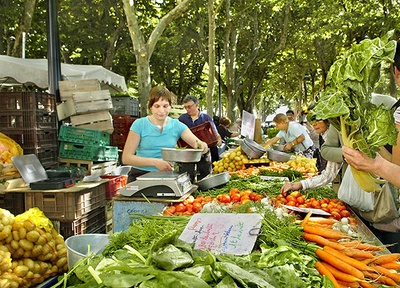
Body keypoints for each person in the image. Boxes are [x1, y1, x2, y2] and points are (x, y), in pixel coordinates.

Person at [122, 86, 209, 183]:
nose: (161, 111)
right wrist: (155, 163)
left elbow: (198, 143)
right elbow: (126, 158)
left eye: (165, 106)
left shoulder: (177, 125)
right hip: (139, 176)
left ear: (170, 106)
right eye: (157, 106)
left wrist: (203, 146)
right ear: (150, 106)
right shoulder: (139, 124)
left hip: (167, 177)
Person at [280, 116, 333, 194]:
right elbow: (329, 173)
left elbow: (330, 173)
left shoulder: (334, 138)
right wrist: (300, 184)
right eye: (312, 120)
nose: (314, 124)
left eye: (318, 119)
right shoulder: (324, 136)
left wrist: (301, 184)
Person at [178, 95, 222, 181]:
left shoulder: (206, 118)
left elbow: (214, 132)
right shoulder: (182, 119)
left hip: (204, 150)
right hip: (188, 152)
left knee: (205, 175)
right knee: (187, 176)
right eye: (185, 107)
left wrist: (218, 138)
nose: (187, 109)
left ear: (197, 105)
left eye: (189, 107)